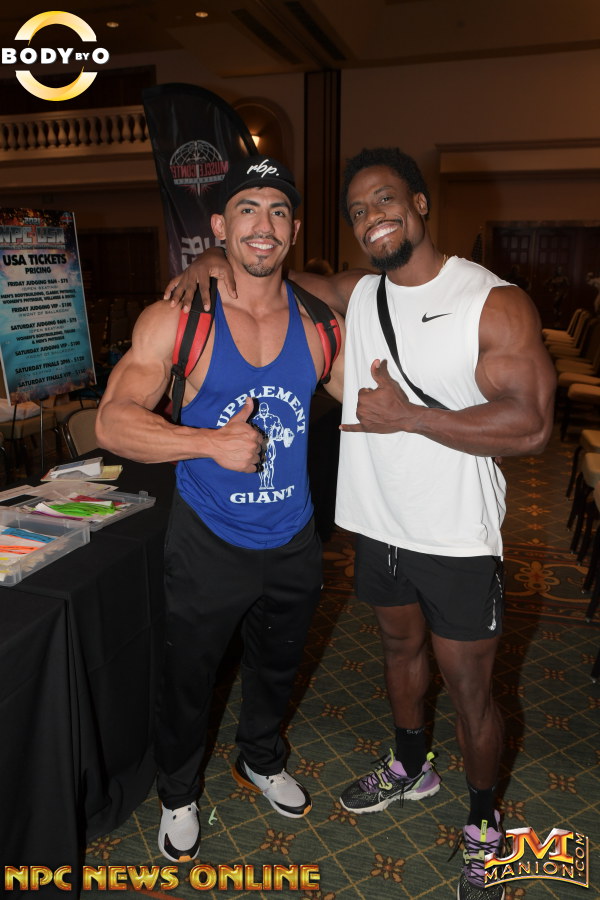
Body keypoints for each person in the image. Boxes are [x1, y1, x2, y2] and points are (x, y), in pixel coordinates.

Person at [165, 147, 556, 899]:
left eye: (385, 199)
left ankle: (484, 819)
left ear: (419, 204)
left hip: (456, 536)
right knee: (399, 652)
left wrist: (410, 417)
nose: (372, 216)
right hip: (378, 526)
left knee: (470, 690)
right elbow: (266, 270)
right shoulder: (358, 293)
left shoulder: (492, 301)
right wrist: (214, 259)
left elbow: (532, 425)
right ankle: (411, 764)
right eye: (357, 210)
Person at [95, 156, 345, 864]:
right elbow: (112, 422)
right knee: (188, 679)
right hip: (207, 538)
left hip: (294, 535)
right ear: (219, 226)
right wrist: (208, 442)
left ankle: (260, 757)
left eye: (278, 211)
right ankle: (178, 793)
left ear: (294, 229)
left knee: (278, 666)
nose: (263, 225)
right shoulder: (180, 319)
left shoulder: (321, 325)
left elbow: (368, 402)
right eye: (247, 209)